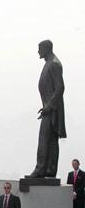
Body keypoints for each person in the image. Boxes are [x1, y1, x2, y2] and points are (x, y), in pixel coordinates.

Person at [27, 39, 66, 178]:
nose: (38, 51)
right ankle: (49, 170)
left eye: (39, 48)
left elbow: (60, 87)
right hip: (49, 108)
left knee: (45, 138)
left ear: (46, 48)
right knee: (50, 140)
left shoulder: (54, 64)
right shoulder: (49, 64)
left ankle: (41, 168)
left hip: (52, 110)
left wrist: (48, 107)